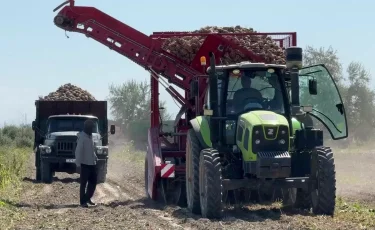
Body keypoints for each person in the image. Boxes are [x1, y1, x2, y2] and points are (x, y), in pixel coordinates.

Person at [75, 119, 98, 208]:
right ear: (87, 127)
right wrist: (78, 164)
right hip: (85, 164)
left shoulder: (90, 136)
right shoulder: (82, 137)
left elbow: (92, 150)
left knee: (93, 182)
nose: (92, 129)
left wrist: (95, 158)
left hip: (92, 163)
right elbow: (78, 152)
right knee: (83, 184)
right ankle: (82, 202)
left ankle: (87, 198)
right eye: (91, 128)